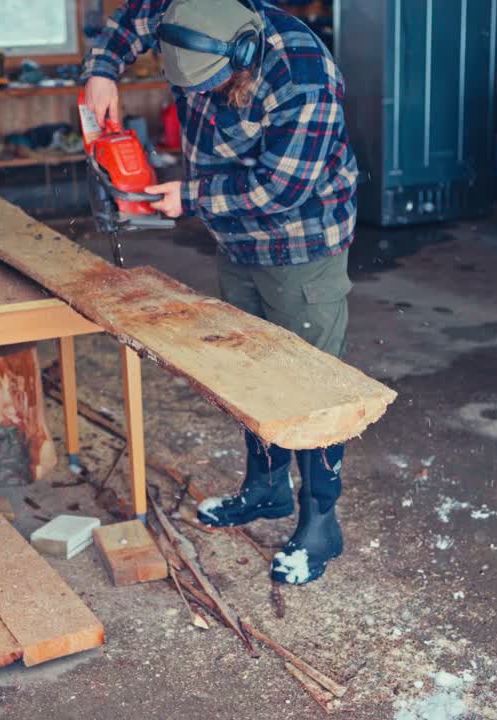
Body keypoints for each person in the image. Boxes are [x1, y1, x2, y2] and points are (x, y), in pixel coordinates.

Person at [82, 0, 358, 585]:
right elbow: (131, 22)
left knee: (312, 383)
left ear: (242, 51)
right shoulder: (186, 9)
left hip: (301, 244)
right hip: (235, 241)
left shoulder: (304, 74)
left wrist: (193, 198)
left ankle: (320, 522)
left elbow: (283, 187)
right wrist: (102, 72)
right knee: (248, 371)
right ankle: (265, 491)